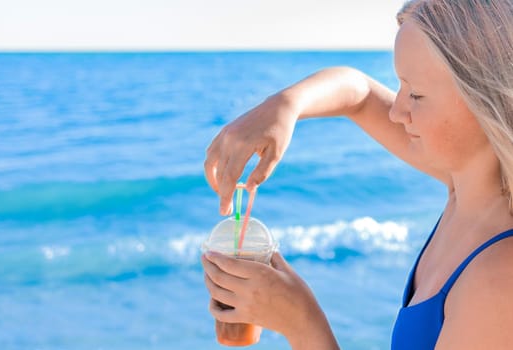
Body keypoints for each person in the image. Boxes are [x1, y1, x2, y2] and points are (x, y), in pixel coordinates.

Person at [201, 0, 513, 348]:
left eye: (416, 94)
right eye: (399, 85)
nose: (396, 111)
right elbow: (359, 94)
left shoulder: (497, 283)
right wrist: (286, 105)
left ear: (484, 98)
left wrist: (301, 322)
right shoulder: (468, 188)